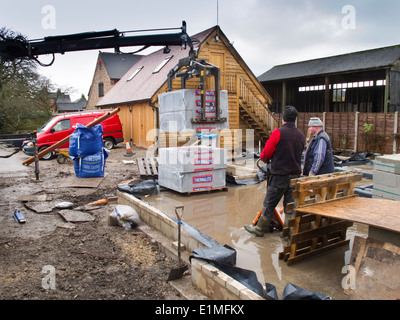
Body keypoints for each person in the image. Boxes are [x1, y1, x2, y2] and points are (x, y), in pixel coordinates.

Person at [244, 106, 305, 237]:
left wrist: (266, 159)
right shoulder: (301, 135)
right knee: (290, 204)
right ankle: (288, 232)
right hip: (295, 176)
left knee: (269, 202)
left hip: (279, 176)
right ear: (294, 119)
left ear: (283, 119)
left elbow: (265, 154)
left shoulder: (278, 133)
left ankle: (260, 229)